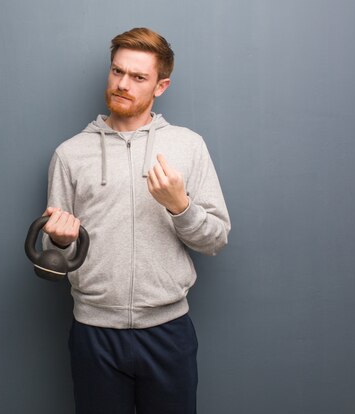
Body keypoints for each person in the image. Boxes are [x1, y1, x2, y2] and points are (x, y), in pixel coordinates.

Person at [41, 27, 230, 414]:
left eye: (138, 77)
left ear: (161, 86)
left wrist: (181, 207)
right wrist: (59, 242)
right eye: (117, 72)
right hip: (94, 333)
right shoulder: (70, 154)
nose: (122, 84)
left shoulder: (188, 146)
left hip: (169, 333)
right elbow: (53, 258)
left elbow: (216, 239)